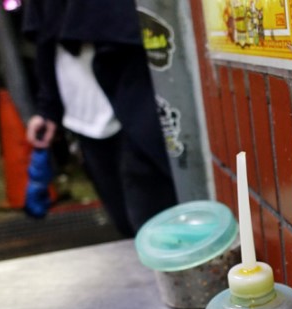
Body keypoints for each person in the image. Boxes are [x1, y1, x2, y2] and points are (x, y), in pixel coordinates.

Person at [22, 0, 178, 237]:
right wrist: (47, 108)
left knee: (157, 221)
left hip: (139, 96)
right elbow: (45, 33)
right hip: (85, 110)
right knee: (127, 222)